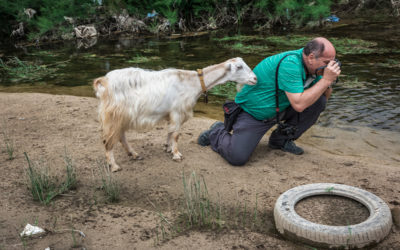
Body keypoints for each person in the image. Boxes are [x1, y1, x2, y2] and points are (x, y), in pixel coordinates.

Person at [198, 37, 341, 166]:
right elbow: (299, 105)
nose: (330, 66)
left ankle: (280, 140)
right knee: (237, 157)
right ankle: (216, 131)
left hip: (280, 108)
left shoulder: (313, 67)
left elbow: (323, 98)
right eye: (327, 62)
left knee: (319, 101)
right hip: (254, 114)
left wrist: (326, 81)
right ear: (311, 57)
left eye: (332, 62)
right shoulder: (290, 64)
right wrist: (326, 79)